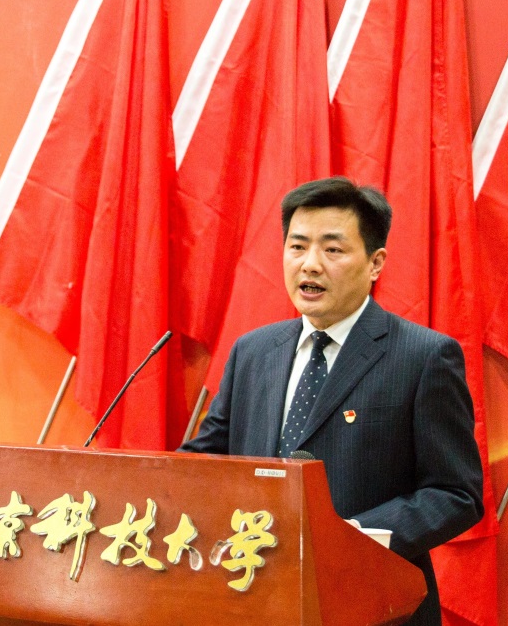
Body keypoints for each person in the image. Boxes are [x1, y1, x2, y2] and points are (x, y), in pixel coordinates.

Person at [182, 177, 483, 625]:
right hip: (254, 597)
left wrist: (353, 538)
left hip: (371, 603)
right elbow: (206, 461)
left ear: (375, 263)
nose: (310, 264)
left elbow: (456, 493)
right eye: (297, 246)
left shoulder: (423, 357)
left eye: (333, 249)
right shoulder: (253, 351)